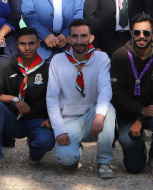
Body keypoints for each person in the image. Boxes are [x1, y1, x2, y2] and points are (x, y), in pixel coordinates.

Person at [46, 19, 116, 179]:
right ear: (68, 39)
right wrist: (59, 130)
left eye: (83, 36)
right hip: (68, 120)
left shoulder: (101, 58)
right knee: (66, 160)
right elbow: (52, 98)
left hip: (92, 118)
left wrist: (99, 116)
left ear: (91, 38)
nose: (79, 41)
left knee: (108, 109)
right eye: (74, 36)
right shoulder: (58, 60)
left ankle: (104, 162)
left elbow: (105, 89)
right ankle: (75, 149)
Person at [0, 27, 56, 171]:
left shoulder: (48, 69)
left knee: (46, 141)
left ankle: (34, 154)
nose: (27, 48)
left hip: (37, 120)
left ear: (39, 44)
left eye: (31, 43)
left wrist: (51, 118)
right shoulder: (6, 65)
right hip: (12, 118)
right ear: (17, 44)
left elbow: (55, 98)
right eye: (23, 44)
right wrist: (14, 100)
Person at [110, 13, 153, 176]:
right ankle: (138, 150)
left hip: (152, 110)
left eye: (146, 32)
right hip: (127, 111)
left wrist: (141, 118)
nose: (141, 36)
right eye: (137, 32)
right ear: (131, 33)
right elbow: (116, 93)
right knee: (135, 168)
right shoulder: (119, 56)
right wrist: (140, 110)